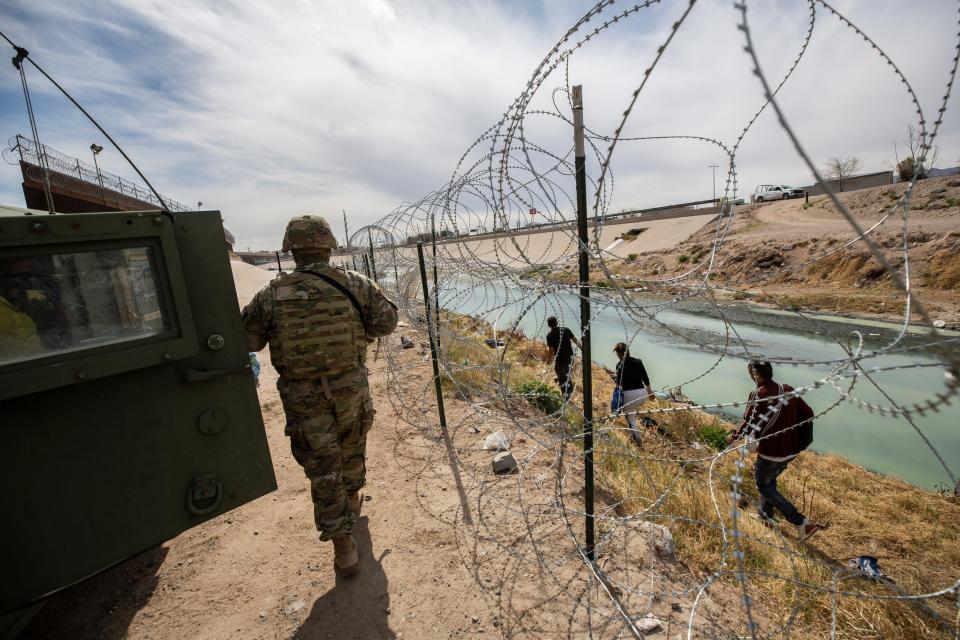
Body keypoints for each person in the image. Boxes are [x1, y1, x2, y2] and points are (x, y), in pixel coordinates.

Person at [241, 215, 398, 577]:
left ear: (290, 250)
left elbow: (248, 341)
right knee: (353, 446)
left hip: (303, 396)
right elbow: (386, 324)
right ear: (328, 246)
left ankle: (344, 547)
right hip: (350, 389)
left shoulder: (270, 294)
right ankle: (354, 498)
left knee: (323, 470)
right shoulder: (356, 284)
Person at [729, 360, 825, 541]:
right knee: (769, 482)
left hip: (771, 452)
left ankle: (803, 523)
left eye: (751, 373)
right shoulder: (787, 389)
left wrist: (733, 437)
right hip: (790, 450)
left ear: (755, 374)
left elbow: (748, 423)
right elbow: (809, 413)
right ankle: (766, 517)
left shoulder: (758, 394)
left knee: (764, 486)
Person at [612, 342, 654, 446]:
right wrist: (650, 393)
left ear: (618, 354)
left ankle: (637, 440)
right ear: (629, 352)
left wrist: (615, 378)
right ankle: (636, 436)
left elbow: (619, 385)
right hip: (642, 395)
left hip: (629, 396)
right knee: (632, 409)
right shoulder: (638, 362)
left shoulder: (619, 365)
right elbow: (646, 379)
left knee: (630, 416)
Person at [546, 316, 579, 399]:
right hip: (570, 357)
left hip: (560, 359)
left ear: (549, 325)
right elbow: (575, 340)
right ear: (557, 323)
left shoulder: (549, 335)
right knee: (566, 372)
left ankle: (566, 395)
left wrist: (549, 360)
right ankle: (568, 390)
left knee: (561, 375)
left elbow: (551, 350)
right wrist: (582, 349)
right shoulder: (566, 330)